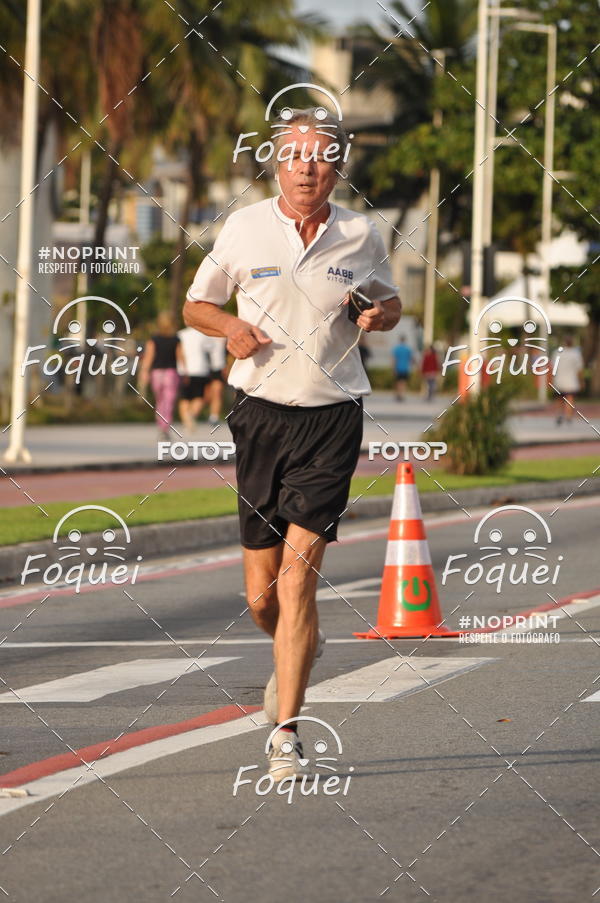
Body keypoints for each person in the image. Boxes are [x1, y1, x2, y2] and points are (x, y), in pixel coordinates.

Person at [183, 107, 401, 780]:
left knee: (300, 575)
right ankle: (295, 645)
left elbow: (389, 304)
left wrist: (377, 313)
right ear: (277, 161)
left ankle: (286, 733)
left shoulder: (363, 233)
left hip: (333, 414)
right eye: (296, 155)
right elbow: (196, 305)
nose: (307, 166)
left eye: (321, 156)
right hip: (259, 413)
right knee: (261, 596)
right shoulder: (243, 227)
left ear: (337, 166)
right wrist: (230, 329)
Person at [140, 311, 185, 439]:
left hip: (157, 373)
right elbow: (180, 357)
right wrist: (186, 372)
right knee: (169, 401)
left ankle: (161, 426)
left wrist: (144, 372)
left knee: (160, 401)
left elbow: (149, 357)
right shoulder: (176, 339)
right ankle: (165, 426)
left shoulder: (153, 339)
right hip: (171, 373)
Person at [552, 334, 584, 425]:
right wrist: (581, 381)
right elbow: (579, 369)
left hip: (559, 380)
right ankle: (568, 416)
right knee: (570, 398)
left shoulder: (557, 352)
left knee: (559, 398)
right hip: (571, 381)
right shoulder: (576, 353)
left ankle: (559, 414)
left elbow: (552, 367)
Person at [392, 335, 412, 400]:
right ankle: (402, 394)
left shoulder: (396, 349)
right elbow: (410, 359)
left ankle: (398, 394)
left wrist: (393, 368)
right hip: (405, 368)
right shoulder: (408, 349)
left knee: (397, 382)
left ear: (400, 340)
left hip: (398, 368)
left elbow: (394, 360)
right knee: (404, 382)